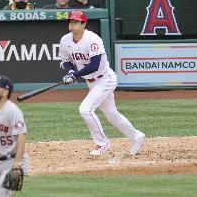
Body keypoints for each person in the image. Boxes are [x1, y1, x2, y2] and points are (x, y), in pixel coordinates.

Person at [59, 10, 145, 156]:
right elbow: (66, 61)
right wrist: (71, 72)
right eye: (70, 22)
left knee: (85, 109)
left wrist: (76, 75)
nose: (72, 25)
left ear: (84, 23)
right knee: (112, 115)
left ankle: (102, 144)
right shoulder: (65, 40)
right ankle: (136, 136)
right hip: (91, 82)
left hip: (105, 79)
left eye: (75, 22)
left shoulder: (93, 39)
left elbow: (95, 65)